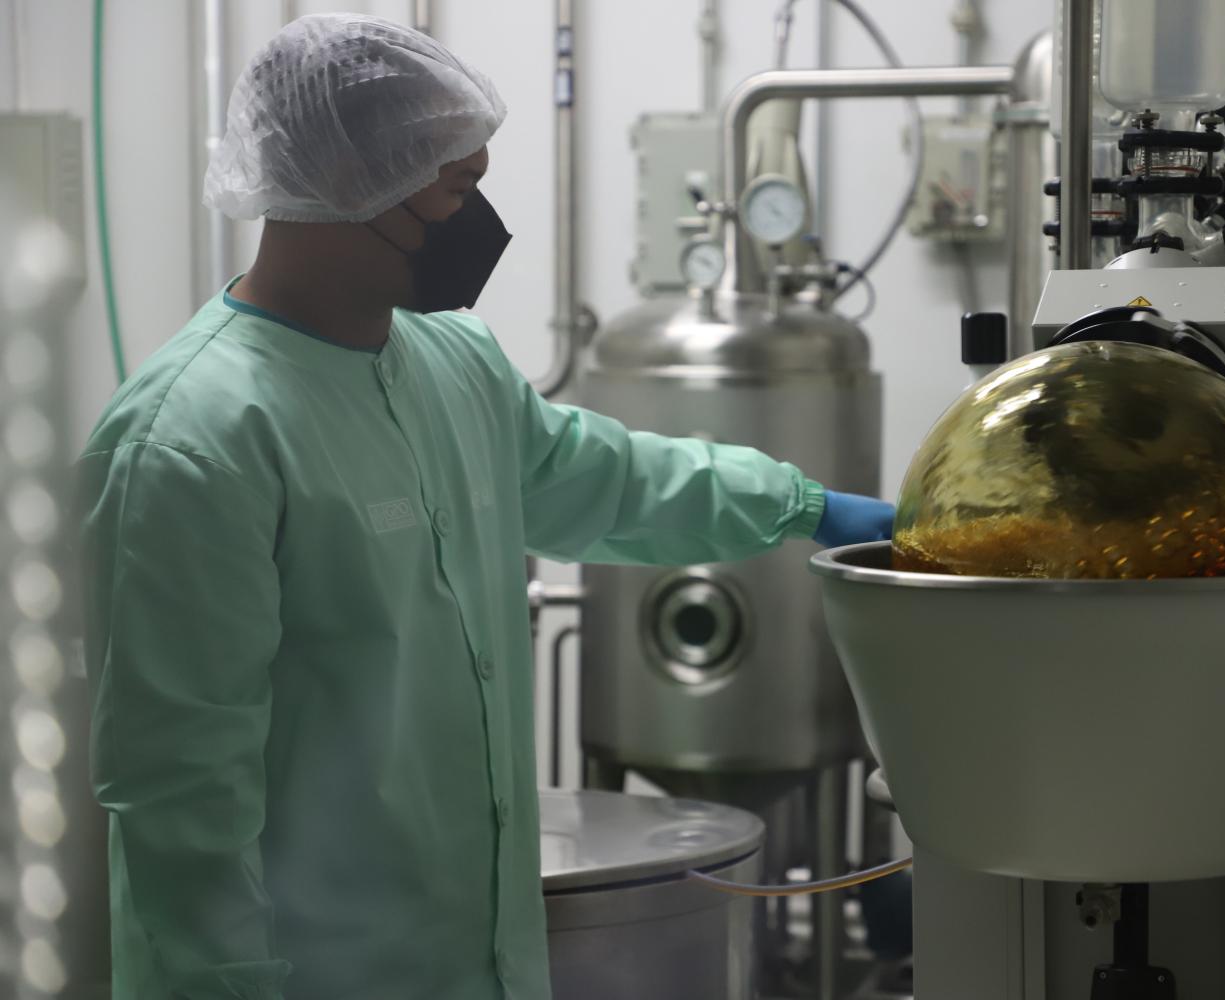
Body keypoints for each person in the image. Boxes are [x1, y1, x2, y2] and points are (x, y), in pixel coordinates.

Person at [76, 14, 893, 1000]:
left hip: (483, 963)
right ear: (350, 185)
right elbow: (180, 800)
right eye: (459, 188)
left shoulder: (450, 363)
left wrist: (811, 506)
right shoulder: (193, 438)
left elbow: (610, 476)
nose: (482, 221)